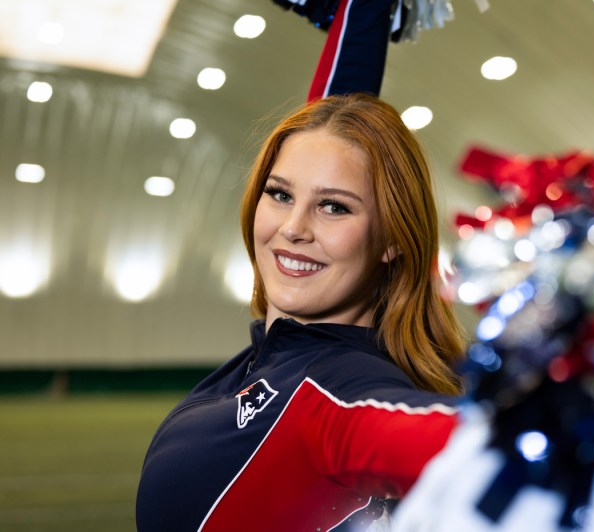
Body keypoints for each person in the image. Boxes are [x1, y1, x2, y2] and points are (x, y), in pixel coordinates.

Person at [136, 93, 467, 531]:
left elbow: (478, 448)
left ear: (393, 238)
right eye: (279, 194)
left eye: (334, 206)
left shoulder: (341, 392)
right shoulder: (274, 360)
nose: (293, 228)